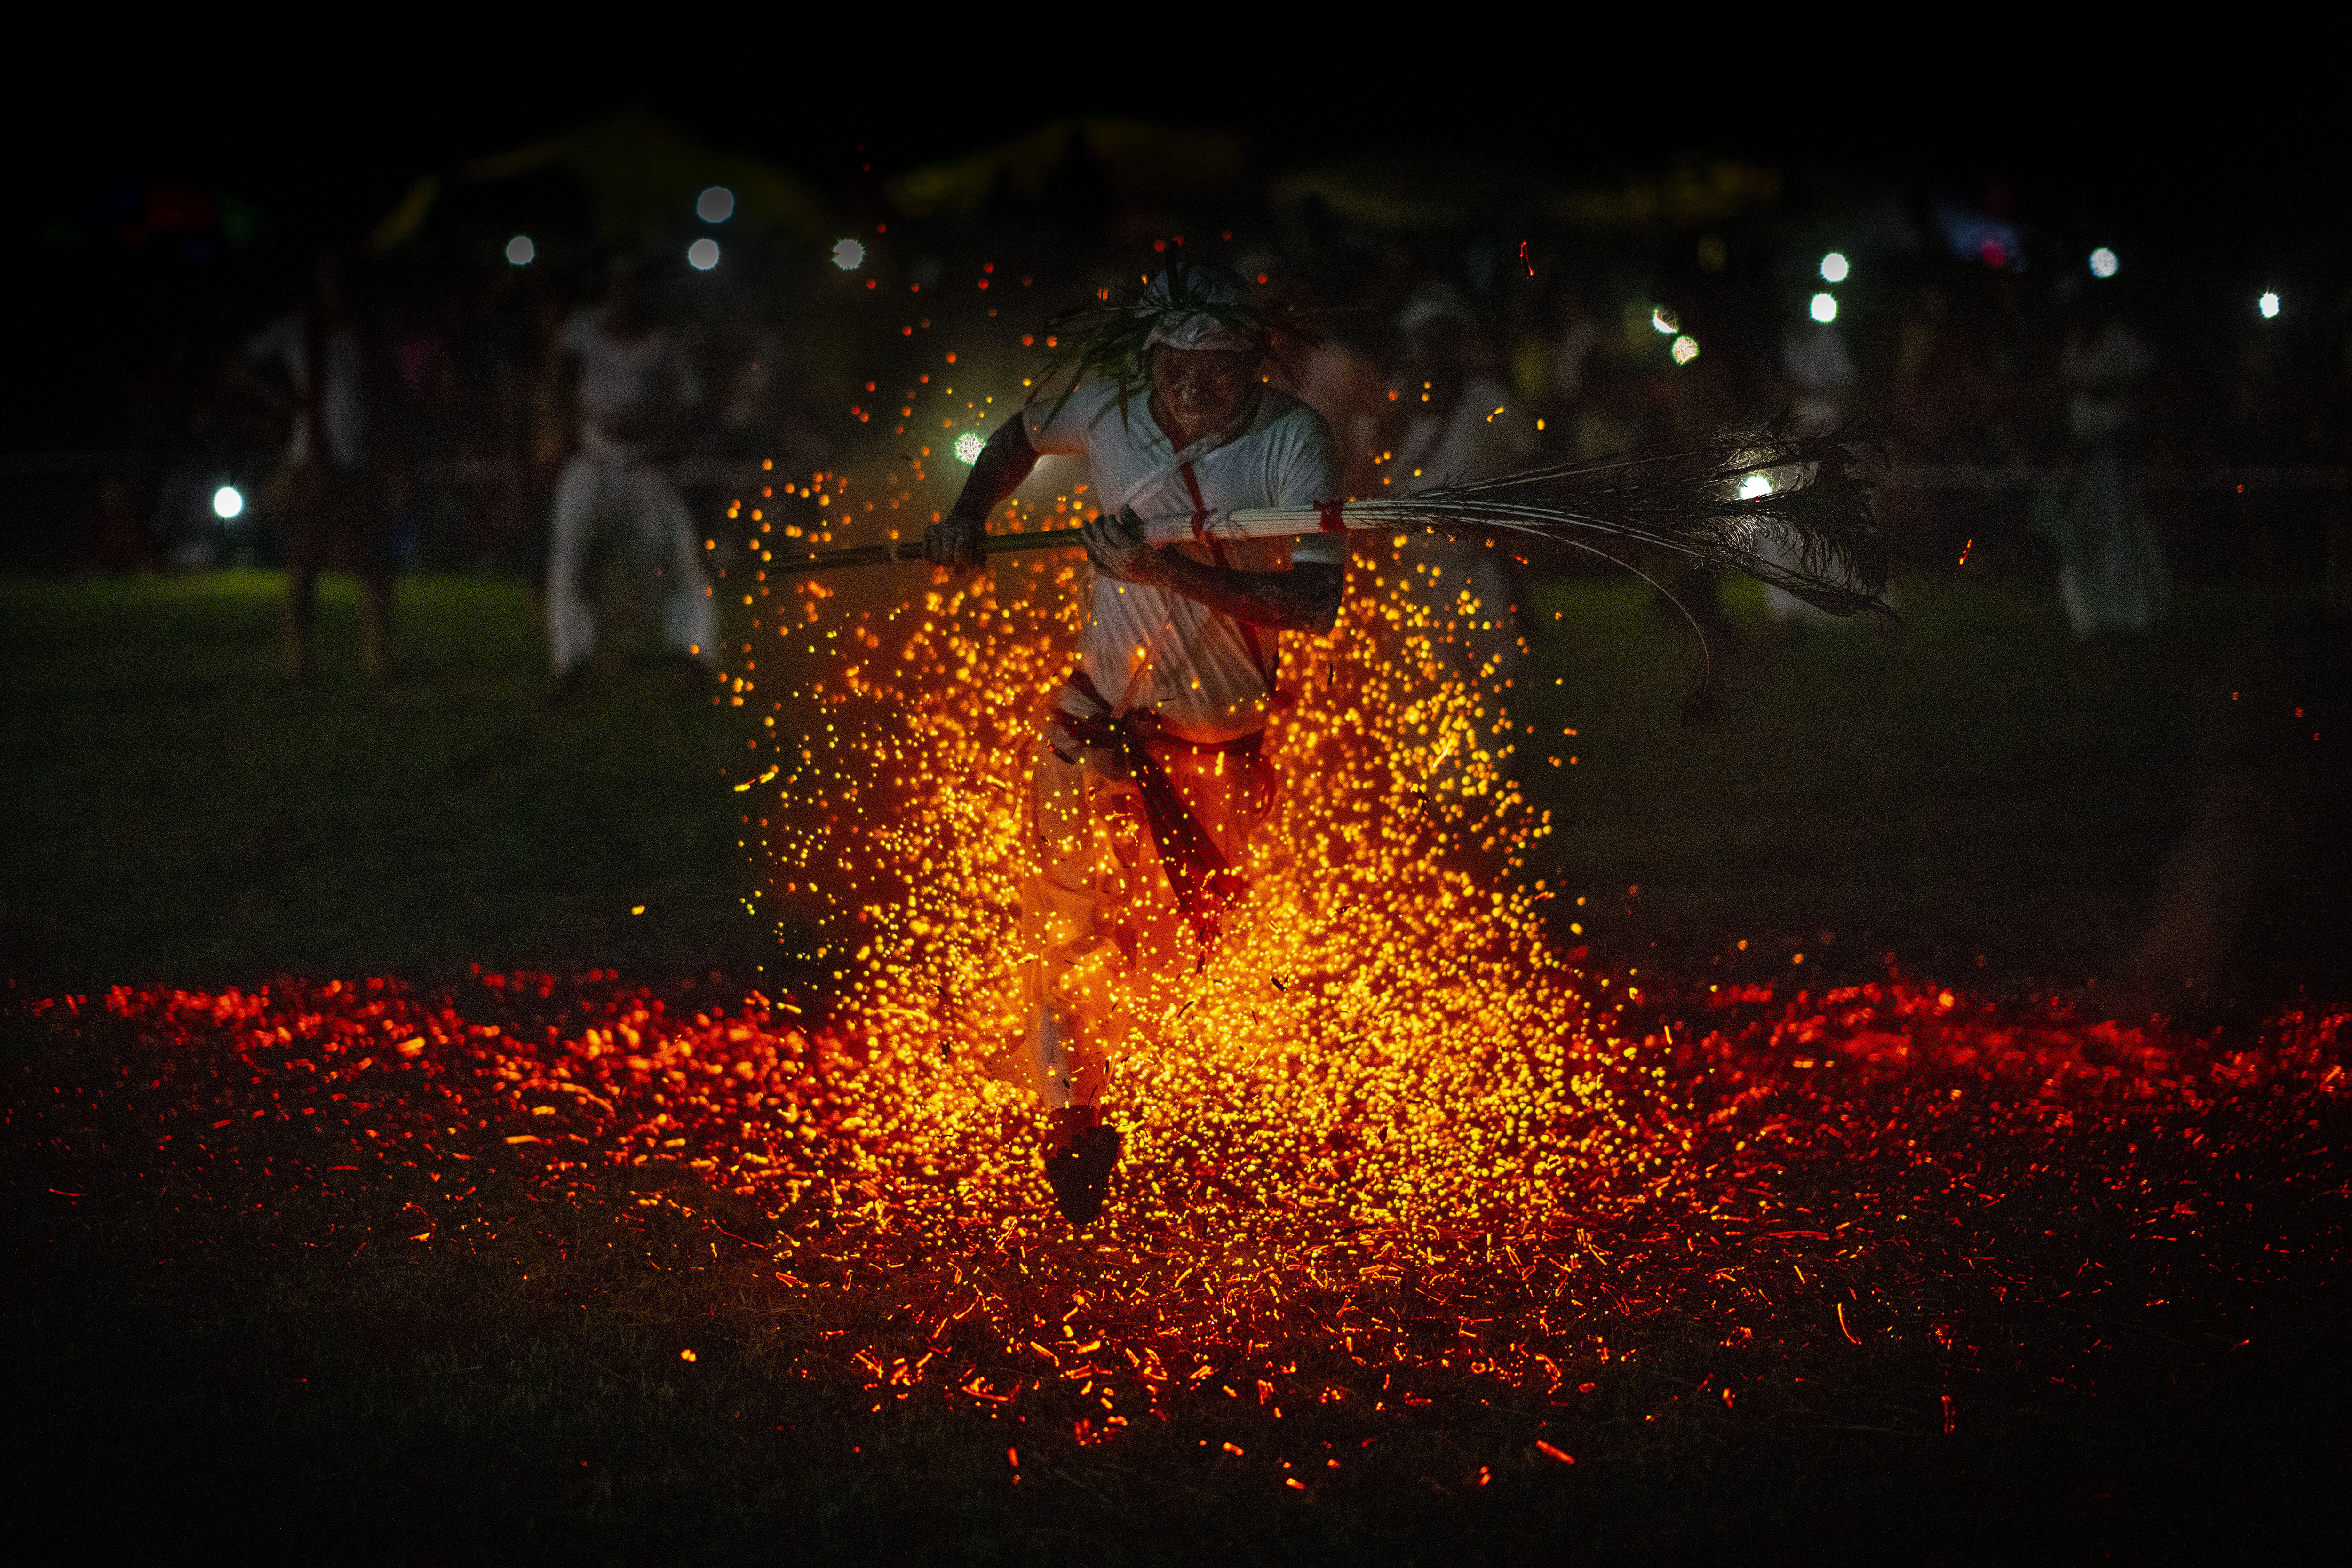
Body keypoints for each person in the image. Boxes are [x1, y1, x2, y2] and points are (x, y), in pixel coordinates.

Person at [925, 263, 1343, 1224]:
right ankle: (1069, 1114)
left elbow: (1316, 600)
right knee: (1065, 922)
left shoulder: (1295, 440)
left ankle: (1107, 1067)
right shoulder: (1108, 403)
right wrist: (968, 514)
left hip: (1213, 745)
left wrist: (1167, 572)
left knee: (1166, 950)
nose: (1192, 384)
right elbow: (1022, 433)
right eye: (1173, 365)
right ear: (1147, 357)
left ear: (1255, 361)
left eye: (1217, 366)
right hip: (1094, 720)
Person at [545, 258, 715, 695]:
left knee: (681, 562)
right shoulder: (583, 330)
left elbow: (688, 405)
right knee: (568, 563)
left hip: (645, 468)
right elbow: (558, 385)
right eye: (620, 287)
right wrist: (563, 431)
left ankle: (696, 657)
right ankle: (570, 665)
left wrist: (651, 427)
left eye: (635, 288)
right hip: (591, 464)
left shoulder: (664, 343)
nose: (626, 296)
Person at [241, 251, 392, 677]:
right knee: (305, 560)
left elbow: (381, 392)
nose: (334, 289)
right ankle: (298, 653)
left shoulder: (363, 333)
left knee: (372, 560)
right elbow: (242, 364)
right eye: (327, 280)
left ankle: (378, 651)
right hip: (313, 460)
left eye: (340, 280)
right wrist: (281, 404)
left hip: (359, 458)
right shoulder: (299, 331)